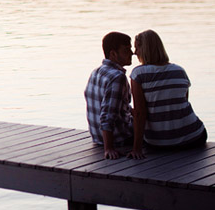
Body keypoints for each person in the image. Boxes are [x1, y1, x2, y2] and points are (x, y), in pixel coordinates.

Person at [128, 30, 207, 159]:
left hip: (158, 142)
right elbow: (181, 104)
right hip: (194, 137)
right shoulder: (179, 71)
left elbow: (140, 113)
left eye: (137, 48)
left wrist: (136, 149)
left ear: (146, 49)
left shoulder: (139, 74)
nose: (134, 52)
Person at [84, 31, 134, 159]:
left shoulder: (96, 72)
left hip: (96, 135)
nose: (132, 53)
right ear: (113, 53)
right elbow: (108, 115)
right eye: (126, 50)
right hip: (118, 138)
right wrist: (109, 148)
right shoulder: (117, 77)